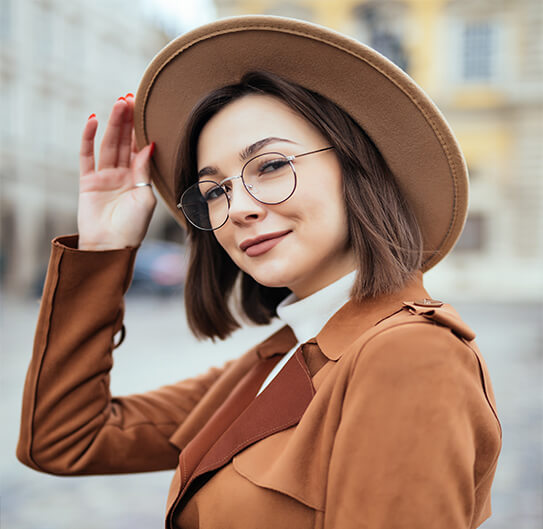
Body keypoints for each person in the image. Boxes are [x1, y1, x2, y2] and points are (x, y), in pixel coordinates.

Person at [16, 15, 502, 529]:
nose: (240, 207)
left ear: (358, 165)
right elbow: (65, 439)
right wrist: (103, 252)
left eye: (270, 165)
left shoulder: (410, 353)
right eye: (215, 191)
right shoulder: (282, 357)